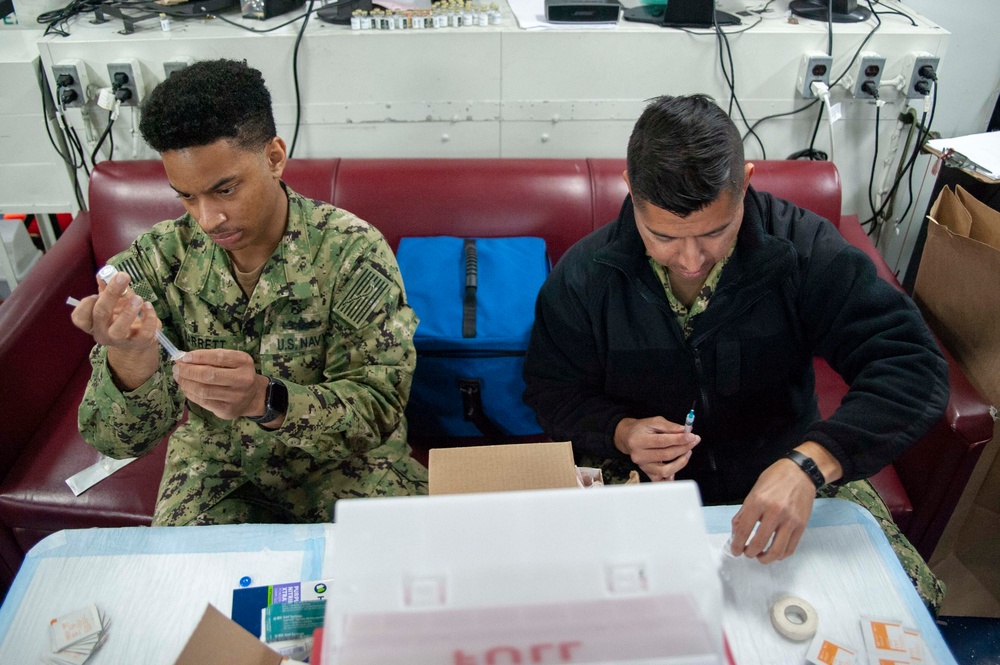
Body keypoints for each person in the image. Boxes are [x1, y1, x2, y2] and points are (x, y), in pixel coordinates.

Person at [523, 94, 949, 609]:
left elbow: (911, 364)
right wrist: (622, 431)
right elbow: (551, 391)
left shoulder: (801, 249)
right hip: (642, 480)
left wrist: (813, 464)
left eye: (714, 232)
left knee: (898, 605)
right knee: (611, 616)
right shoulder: (585, 276)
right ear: (630, 188)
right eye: (663, 236)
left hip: (784, 465)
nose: (690, 260)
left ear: (746, 182)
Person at [72, 59, 426, 526]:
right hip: (218, 468)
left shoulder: (351, 251)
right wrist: (130, 358)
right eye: (186, 196)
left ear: (275, 157)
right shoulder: (160, 257)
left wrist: (265, 399)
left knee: (389, 583)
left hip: (346, 466)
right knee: (185, 589)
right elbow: (115, 441)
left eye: (225, 190)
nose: (207, 218)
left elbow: (377, 410)